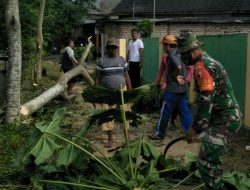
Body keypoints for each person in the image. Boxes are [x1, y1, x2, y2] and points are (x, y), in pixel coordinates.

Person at [178, 32, 242, 190]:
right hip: (221, 118)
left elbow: (206, 103)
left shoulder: (203, 66)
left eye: (184, 54)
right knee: (211, 156)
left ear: (193, 50)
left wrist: (194, 129)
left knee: (206, 161)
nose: (183, 57)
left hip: (226, 120)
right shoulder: (204, 62)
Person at [149, 35, 192, 140]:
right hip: (182, 90)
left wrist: (177, 75)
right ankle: (190, 133)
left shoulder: (171, 56)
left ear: (168, 45)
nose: (164, 47)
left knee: (164, 112)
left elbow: (178, 66)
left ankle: (159, 134)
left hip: (172, 90)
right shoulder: (181, 54)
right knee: (185, 112)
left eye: (164, 45)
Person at [95, 38, 132, 148]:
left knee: (125, 114)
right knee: (108, 115)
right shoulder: (101, 61)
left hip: (122, 91)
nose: (114, 49)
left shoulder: (122, 60)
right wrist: (95, 94)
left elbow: (126, 76)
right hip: (107, 93)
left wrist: (131, 92)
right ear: (107, 48)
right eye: (112, 47)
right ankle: (110, 139)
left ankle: (127, 138)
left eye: (115, 47)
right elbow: (97, 78)